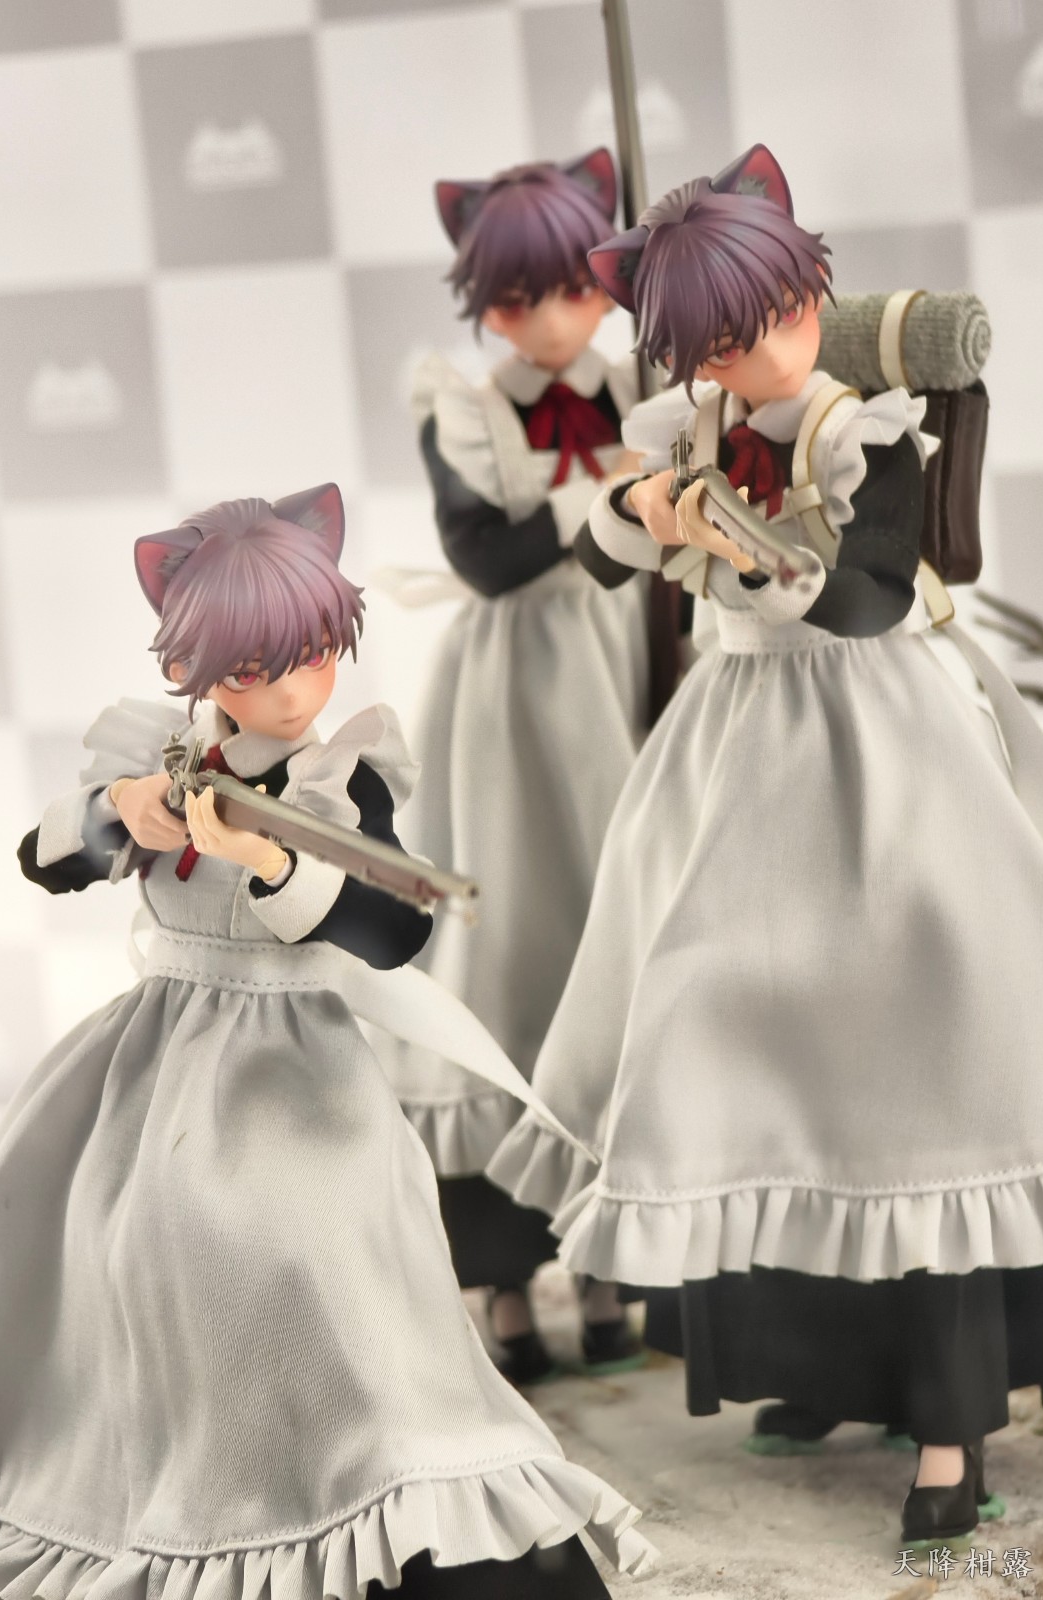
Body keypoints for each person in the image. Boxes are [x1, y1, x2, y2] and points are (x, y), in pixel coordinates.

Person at [487, 145, 1043, 1548]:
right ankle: (816, 1365)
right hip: (739, 751)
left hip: (883, 746)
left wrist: (751, 554)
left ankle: (947, 1413)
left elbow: (864, 594)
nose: (755, 354)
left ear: (813, 293)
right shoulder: (688, 422)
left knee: (924, 1063)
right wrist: (646, 512)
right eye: (719, 342)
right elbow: (600, 558)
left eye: (777, 317)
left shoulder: (860, 427)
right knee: (745, 1050)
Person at [0, 486, 651, 1597]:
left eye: (311, 655)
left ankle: (363, 1484)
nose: (294, 689)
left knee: (324, 1255)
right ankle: (184, 1480)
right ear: (198, 667)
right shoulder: (160, 754)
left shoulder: (339, 779)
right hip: (160, 1065)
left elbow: (397, 928)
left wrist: (273, 863)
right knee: (133, 1246)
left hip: (296, 1068)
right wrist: (123, 808)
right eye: (255, 668)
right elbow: (42, 857)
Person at [377, 151, 649, 1382]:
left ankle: (613, 1261)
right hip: (518, 694)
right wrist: (612, 499)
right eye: (517, 298)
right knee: (511, 951)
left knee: (621, 941)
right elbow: (485, 556)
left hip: (629, 663)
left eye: (575, 289)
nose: (548, 321)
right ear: (484, 303)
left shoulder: (645, 387)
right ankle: (499, 1281)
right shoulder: (464, 408)